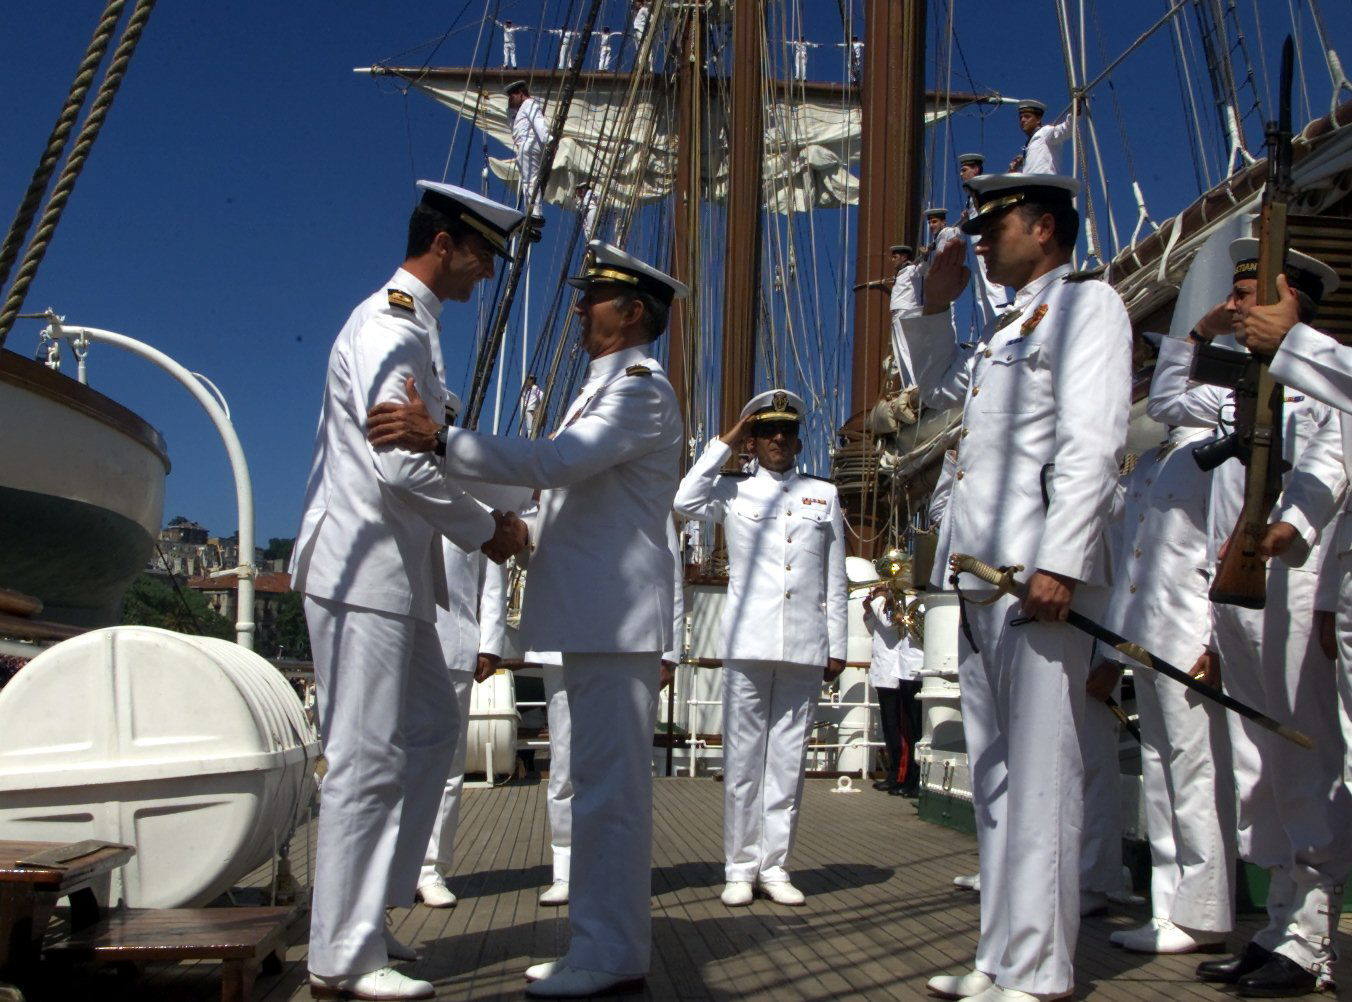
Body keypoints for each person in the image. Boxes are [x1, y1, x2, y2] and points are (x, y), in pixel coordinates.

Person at [366, 239, 688, 999]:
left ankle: (612, 955)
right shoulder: (599, 388)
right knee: (591, 788)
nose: (578, 308)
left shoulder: (641, 390)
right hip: (587, 618)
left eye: (593, 298)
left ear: (633, 312)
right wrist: (497, 523)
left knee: (611, 794)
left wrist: (439, 439)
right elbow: (553, 497)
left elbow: (553, 464)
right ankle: (595, 945)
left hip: (615, 622)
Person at [292, 180, 527, 1001]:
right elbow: (398, 463)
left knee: (430, 731)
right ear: (445, 246)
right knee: (365, 756)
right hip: (364, 571)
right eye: (483, 257)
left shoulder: (415, 329)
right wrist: (488, 528)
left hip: (396, 575)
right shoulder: (390, 327)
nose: (487, 275)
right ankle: (340, 957)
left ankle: (369, 915)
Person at [902, 173, 1131, 1002]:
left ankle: (1039, 969)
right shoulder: (1008, 330)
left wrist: (1061, 563)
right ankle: (999, 955)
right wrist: (930, 308)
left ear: (1042, 228)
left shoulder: (1087, 307)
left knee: (1041, 775)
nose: (982, 239)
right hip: (979, 578)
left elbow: (1093, 441)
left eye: (993, 226)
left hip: (1035, 577)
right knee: (997, 776)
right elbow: (939, 394)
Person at [1147, 241, 1348, 997]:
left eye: (1250, 291)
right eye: (1233, 291)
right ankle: (1279, 926)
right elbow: (1171, 404)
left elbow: (1333, 460)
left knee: (1303, 762)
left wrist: (1289, 527)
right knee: (1257, 768)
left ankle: (1313, 940)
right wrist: (1198, 335)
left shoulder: (1327, 377)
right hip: (1231, 592)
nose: (1237, 303)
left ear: (1295, 301)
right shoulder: (1241, 378)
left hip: (1295, 586)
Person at [673, 389, 848, 908]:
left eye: (786, 431)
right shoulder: (732, 492)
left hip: (803, 643)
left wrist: (835, 643)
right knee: (744, 760)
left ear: (798, 440)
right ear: (753, 440)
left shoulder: (824, 496)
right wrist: (724, 443)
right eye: (767, 431)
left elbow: (834, 578)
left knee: (788, 763)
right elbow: (683, 500)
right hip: (748, 642)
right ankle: (738, 865)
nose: (778, 439)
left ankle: (775, 866)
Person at [1097, 425, 1234, 954]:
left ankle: (1206, 914)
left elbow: (1225, 546)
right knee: (1158, 773)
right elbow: (1128, 556)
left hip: (1188, 638)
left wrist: (1218, 641)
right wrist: (1113, 651)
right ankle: (1168, 907)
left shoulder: (1215, 451)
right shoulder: (1149, 463)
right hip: (1144, 637)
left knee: (1197, 774)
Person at [415, 534, 509, 908]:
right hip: (397, 635)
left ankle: (429, 868)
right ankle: (386, 869)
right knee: (388, 759)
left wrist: (490, 643)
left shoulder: (481, 502)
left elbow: (492, 580)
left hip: (452, 642)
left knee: (447, 766)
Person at [864, 587, 923, 797]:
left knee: (902, 729)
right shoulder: (890, 601)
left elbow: (890, 622)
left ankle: (902, 775)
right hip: (884, 670)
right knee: (890, 728)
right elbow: (875, 628)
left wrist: (879, 598)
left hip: (896, 671)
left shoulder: (906, 600)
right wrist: (869, 611)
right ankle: (895, 773)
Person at [505, 81, 550, 226]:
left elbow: (539, 123)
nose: (510, 100)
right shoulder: (521, 110)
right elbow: (514, 127)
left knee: (531, 179)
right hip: (524, 148)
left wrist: (548, 141)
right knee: (527, 180)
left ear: (521, 93)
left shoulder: (530, 104)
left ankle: (535, 213)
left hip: (530, 146)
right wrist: (511, 110)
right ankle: (531, 213)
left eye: (512, 96)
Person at [1010, 99, 1072, 175]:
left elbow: (1067, 129)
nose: (1022, 120)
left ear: (1038, 119)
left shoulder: (1045, 132)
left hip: (1045, 183)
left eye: (1027, 117)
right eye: (1021, 118)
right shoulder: (1028, 145)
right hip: (1032, 184)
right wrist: (1013, 171)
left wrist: (1075, 112)